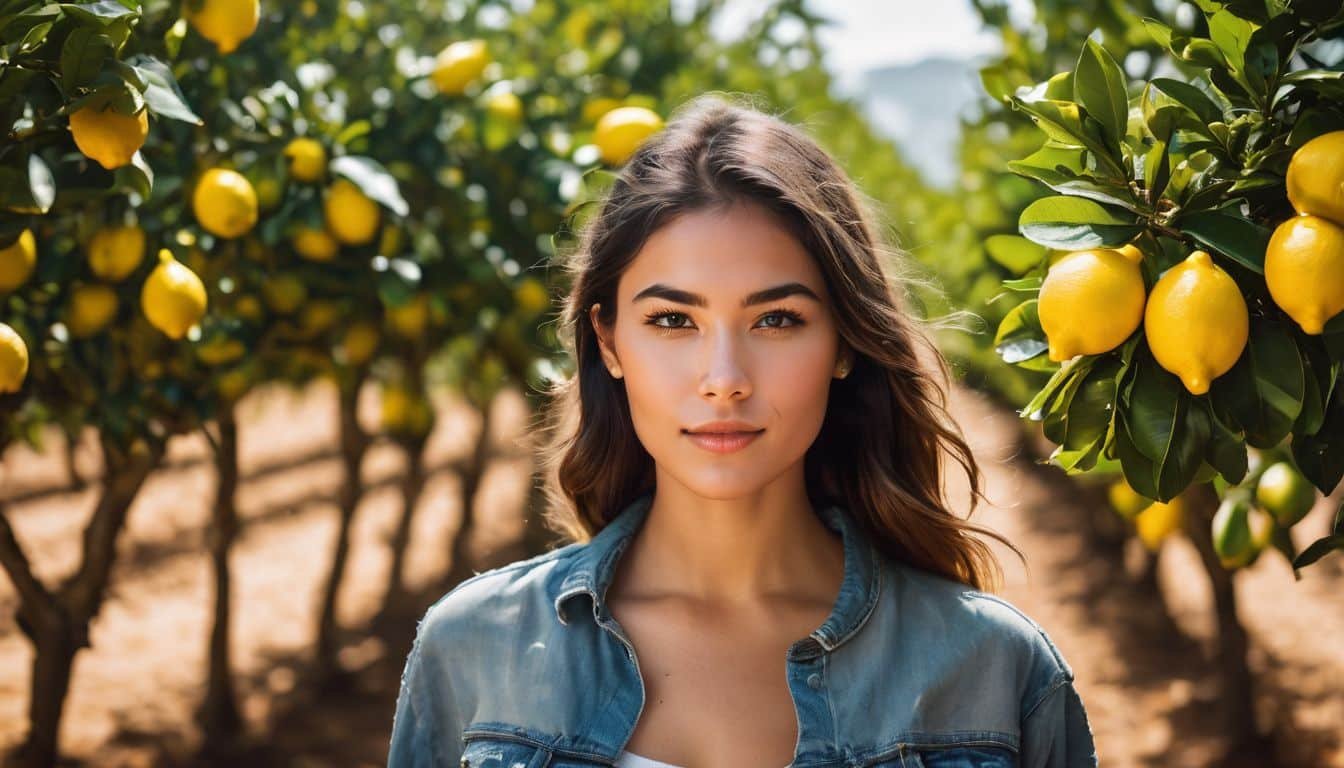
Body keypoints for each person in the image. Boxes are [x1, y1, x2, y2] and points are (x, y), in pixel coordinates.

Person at [386, 92, 1098, 768]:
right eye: (672, 321)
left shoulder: (995, 670)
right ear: (608, 342)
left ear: (845, 342)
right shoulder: (475, 647)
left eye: (777, 319)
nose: (724, 377)